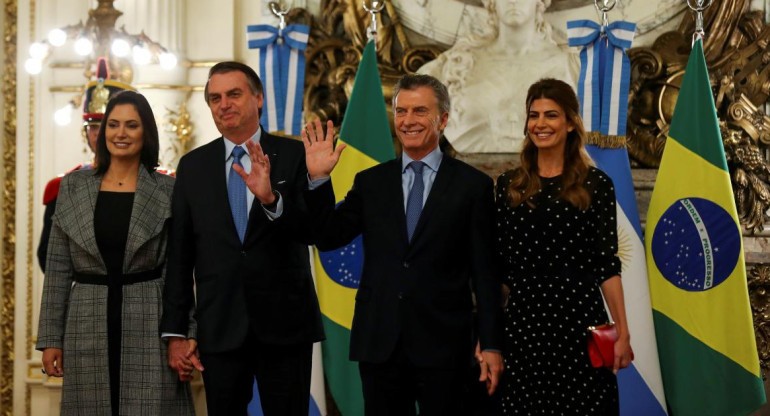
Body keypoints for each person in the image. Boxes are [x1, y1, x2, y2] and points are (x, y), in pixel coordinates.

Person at [302, 73, 503, 415]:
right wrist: (320, 179)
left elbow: (485, 273)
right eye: (401, 111)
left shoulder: (474, 187)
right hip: (380, 342)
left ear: (443, 119)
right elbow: (327, 235)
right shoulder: (370, 182)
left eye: (420, 111)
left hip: (445, 344)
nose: (408, 120)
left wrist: (493, 343)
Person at [160, 61, 324, 415]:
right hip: (219, 326)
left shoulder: (294, 155)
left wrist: (271, 201)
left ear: (259, 98)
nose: (224, 104)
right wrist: (175, 330)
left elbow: (316, 231)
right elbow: (180, 254)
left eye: (234, 94)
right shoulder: (193, 166)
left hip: (285, 325)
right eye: (215, 98)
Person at [36, 90, 195, 416]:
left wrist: (183, 332)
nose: (120, 133)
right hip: (86, 319)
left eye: (132, 125)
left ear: (146, 132)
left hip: (150, 319)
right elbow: (57, 269)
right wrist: (52, 338)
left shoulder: (168, 189)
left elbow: (179, 270)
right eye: (113, 124)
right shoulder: (72, 186)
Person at [495, 78, 633, 414]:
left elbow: (606, 266)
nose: (540, 124)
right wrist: (488, 334)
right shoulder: (508, 185)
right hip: (523, 329)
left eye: (551, 115)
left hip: (580, 325)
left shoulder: (596, 184)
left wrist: (623, 332)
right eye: (534, 115)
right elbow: (500, 270)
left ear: (571, 123)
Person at [419, 0, 577, 153]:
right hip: (472, 172)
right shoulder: (457, 64)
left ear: (539, 2)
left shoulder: (569, 65)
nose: (513, 1)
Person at [37, 57, 135, 271]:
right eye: (93, 126)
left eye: (108, 125)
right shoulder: (62, 188)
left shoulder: (161, 183)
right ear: (85, 132)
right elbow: (48, 257)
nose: (100, 134)